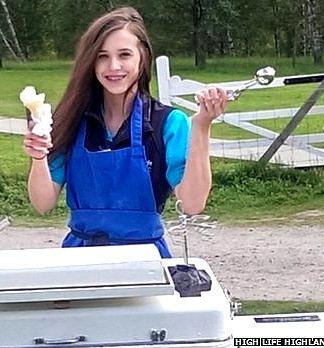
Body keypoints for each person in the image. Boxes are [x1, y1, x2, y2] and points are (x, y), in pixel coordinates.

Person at [22, 7, 228, 258]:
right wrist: (38, 155)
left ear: (142, 58)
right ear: (91, 62)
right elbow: (42, 203)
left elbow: (192, 204)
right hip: (78, 261)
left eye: (124, 54)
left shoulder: (168, 123)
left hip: (145, 262)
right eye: (102, 56)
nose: (114, 66)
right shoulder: (72, 121)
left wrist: (202, 126)